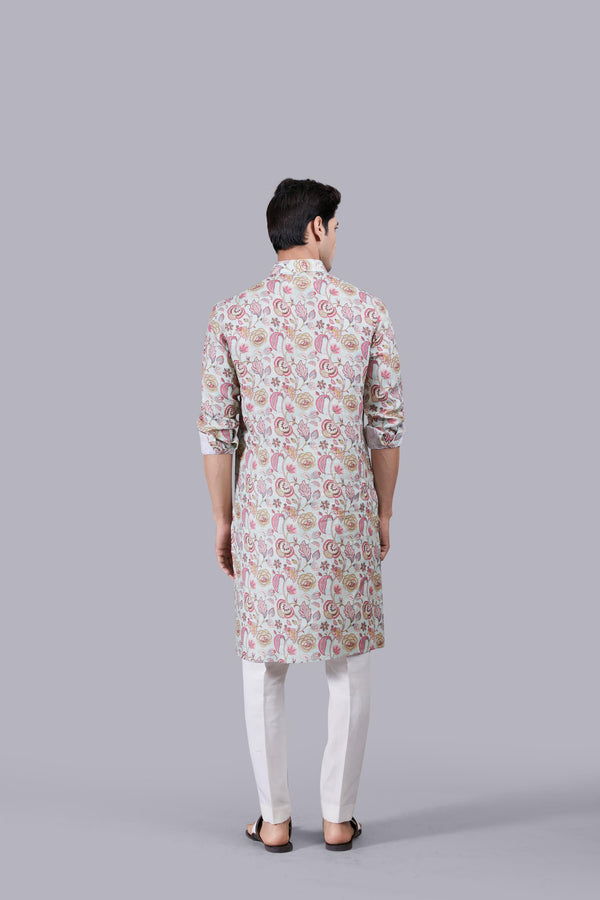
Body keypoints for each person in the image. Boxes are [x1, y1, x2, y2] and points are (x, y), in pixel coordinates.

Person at [196, 178, 405, 852]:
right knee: (349, 664)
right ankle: (339, 818)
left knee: (264, 664)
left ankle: (275, 819)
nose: (336, 239)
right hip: (345, 509)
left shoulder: (231, 315)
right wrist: (385, 513)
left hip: (266, 515)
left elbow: (216, 433)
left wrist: (223, 520)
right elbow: (386, 426)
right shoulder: (367, 311)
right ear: (316, 228)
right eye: (336, 227)